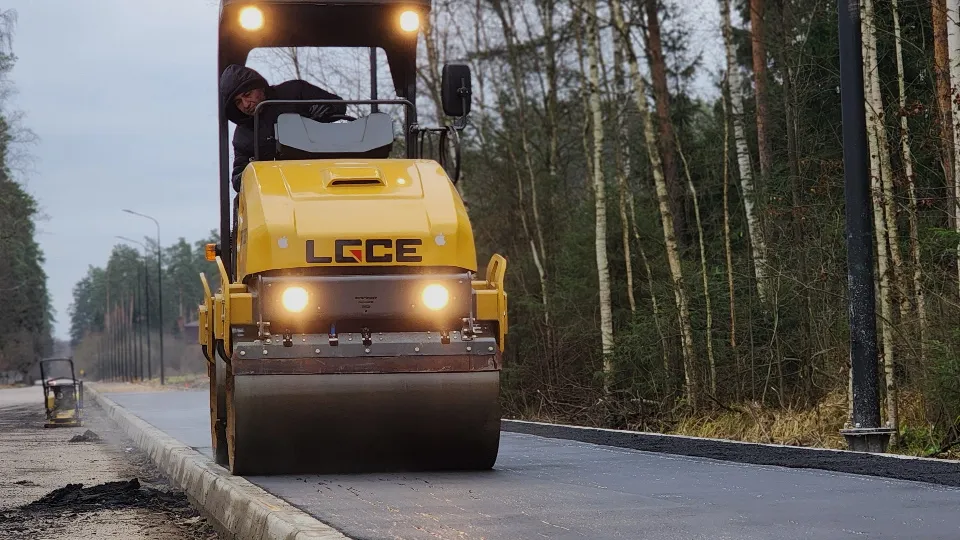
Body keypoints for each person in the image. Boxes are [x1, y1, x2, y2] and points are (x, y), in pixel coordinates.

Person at [220, 64, 347, 191]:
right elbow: (238, 179)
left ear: (260, 87)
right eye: (238, 102)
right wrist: (253, 171)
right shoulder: (242, 136)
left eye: (247, 94)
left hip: (323, 178)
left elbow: (339, 105)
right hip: (277, 192)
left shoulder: (295, 92)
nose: (246, 104)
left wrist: (324, 110)